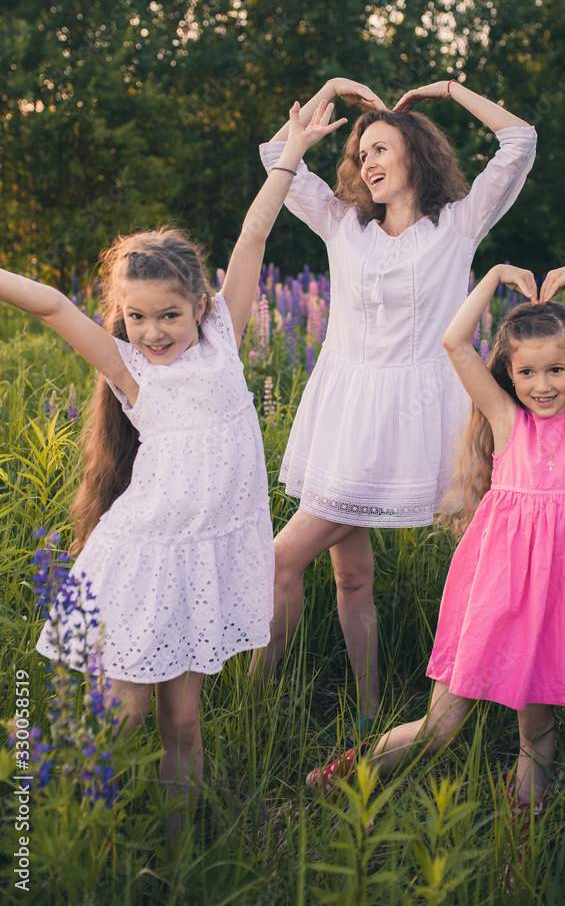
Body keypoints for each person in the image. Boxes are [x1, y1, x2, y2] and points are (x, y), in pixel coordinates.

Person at [0, 100, 346, 843]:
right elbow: (53, 305)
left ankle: (180, 848)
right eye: (135, 317)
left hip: (202, 561)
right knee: (122, 717)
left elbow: (255, 231)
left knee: (184, 722)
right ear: (120, 317)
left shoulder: (224, 340)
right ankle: (45, 811)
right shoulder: (129, 372)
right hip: (143, 556)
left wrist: (290, 153)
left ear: (200, 306)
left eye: (168, 315)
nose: (151, 332)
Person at [307, 263, 565, 832]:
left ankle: (517, 843)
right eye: (528, 371)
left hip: (557, 600)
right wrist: (491, 279)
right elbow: (454, 341)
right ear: (509, 374)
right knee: (442, 726)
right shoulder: (508, 421)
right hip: (495, 592)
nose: (543, 385)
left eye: (557, 369)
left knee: (537, 730)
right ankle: (345, 776)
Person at [250, 77, 537, 725]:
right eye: (360, 155)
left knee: (280, 560)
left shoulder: (458, 224)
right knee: (350, 577)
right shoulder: (341, 224)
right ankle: (354, 707)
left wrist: (448, 90)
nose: (365, 163)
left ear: (416, 154)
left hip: (417, 424)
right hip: (346, 421)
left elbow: (519, 140)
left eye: (379, 149)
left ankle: (261, 704)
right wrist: (323, 91)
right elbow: (276, 156)